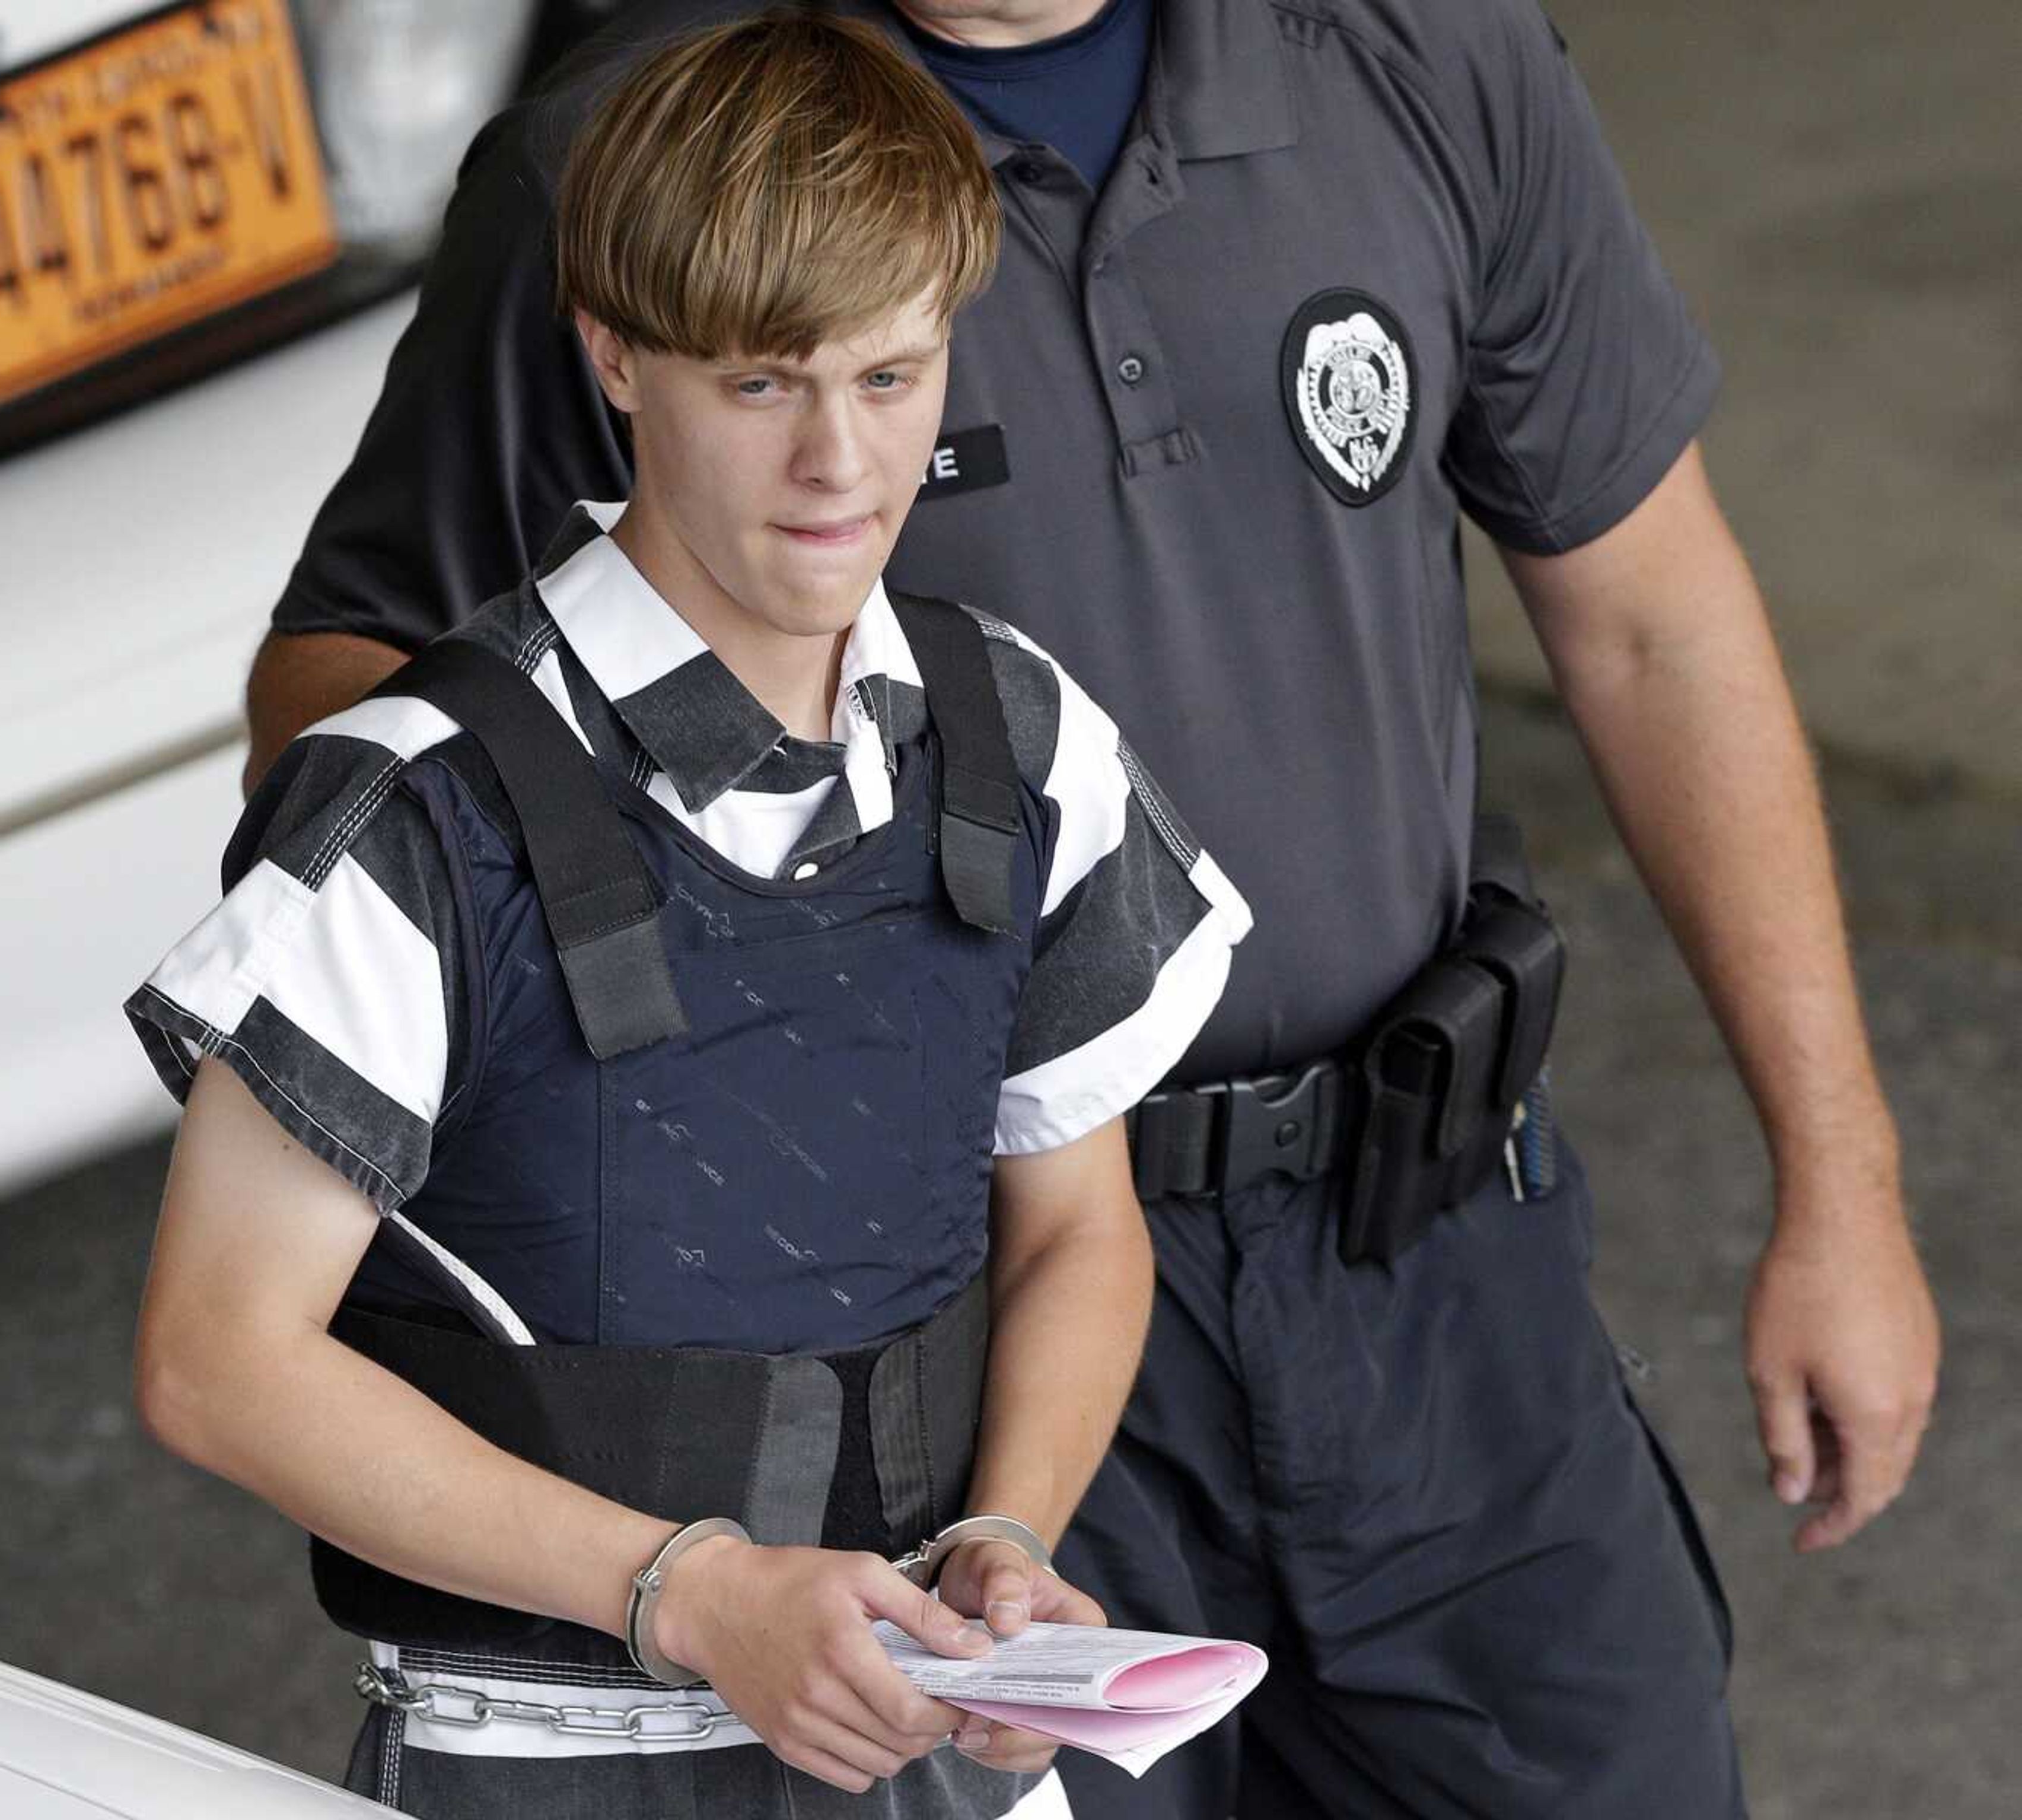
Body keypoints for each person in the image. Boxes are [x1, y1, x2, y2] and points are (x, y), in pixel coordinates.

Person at [241, 1, 1943, 1815]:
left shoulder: (1415, 51)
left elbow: (1653, 616)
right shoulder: (660, 148)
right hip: (974, 1315)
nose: (830, 446)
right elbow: (347, 700)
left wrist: (1842, 1179)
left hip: (1435, 1251)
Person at [127, 12, 1252, 1816]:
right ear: (616, 356)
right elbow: (214, 1357)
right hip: (544, 1762)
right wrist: (696, 1596)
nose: (839, 467)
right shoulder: (419, 803)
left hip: (931, 1746)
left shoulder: (1021, 734)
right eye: (762, 384)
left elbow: (1074, 1235)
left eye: (891, 380)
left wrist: (1006, 1541)